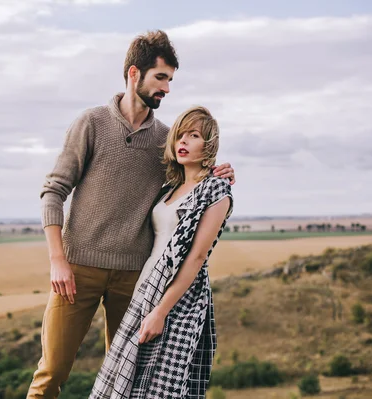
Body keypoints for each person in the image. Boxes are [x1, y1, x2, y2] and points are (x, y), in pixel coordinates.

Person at [27, 30, 235, 398]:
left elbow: (190, 183)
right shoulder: (91, 123)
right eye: (161, 78)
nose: (167, 89)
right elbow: (53, 192)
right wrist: (57, 260)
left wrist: (220, 172)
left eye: (171, 80)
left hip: (134, 277)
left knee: (126, 379)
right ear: (134, 74)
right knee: (52, 371)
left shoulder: (168, 141)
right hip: (78, 270)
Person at [90, 106, 232, 398]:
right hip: (146, 288)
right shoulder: (170, 187)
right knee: (122, 379)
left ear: (210, 144)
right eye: (180, 135)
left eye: (193, 135)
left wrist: (161, 312)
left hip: (179, 301)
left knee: (158, 387)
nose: (183, 141)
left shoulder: (215, 191)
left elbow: (195, 259)